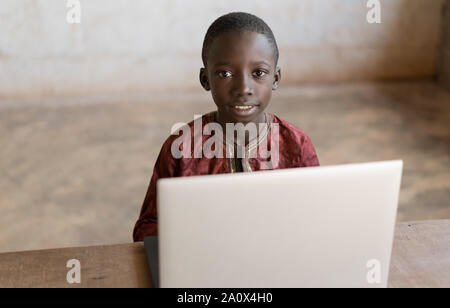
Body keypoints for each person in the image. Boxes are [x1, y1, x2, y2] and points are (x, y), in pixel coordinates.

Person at [133, 12, 320, 242]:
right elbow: (149, 226)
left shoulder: (297, 144)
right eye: (225, 73)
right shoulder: (181, 147)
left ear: (276, 78)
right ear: (205, 80)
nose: (243, 88)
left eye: (258, 73)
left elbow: (314, 218)